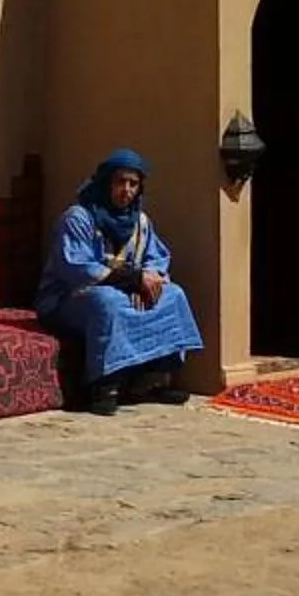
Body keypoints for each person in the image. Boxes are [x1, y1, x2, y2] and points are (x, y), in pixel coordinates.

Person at [34, 148, 204, 413]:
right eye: (120, 182)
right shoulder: (78, 218)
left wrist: (147, 282)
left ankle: (152, 379)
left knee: (172, 295)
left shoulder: (140, 222)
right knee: (107, 302)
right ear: (106, 183)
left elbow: (156, 258)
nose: (126, 190)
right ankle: (104, 385)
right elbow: (76, 267)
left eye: (133, 184)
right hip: (67, 299)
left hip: (124, 290)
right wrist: (132, 280)